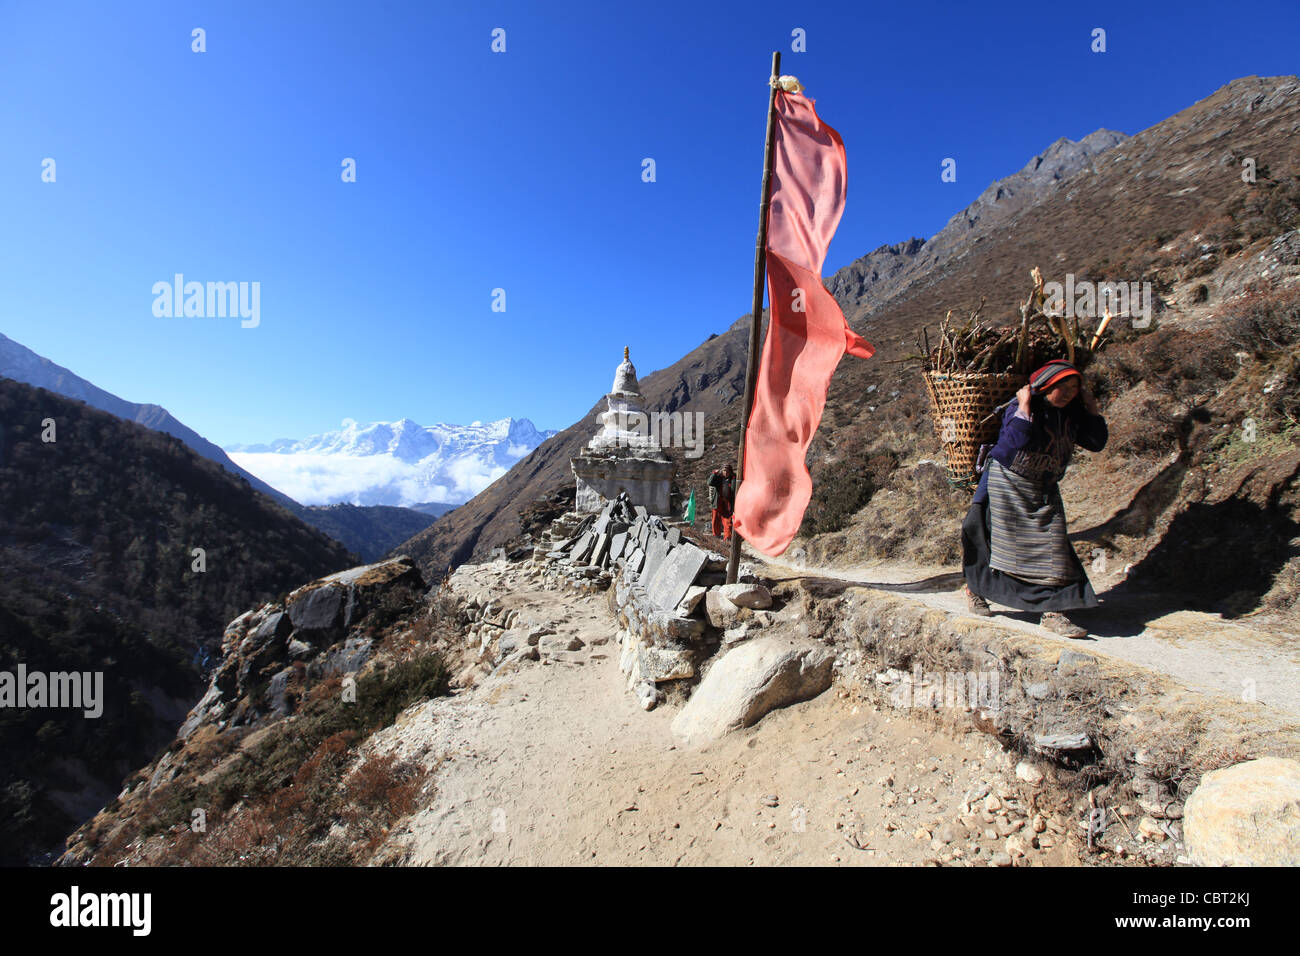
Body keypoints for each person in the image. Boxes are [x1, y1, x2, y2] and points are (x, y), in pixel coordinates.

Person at [962, 360, 1108, 638]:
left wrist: (1092, 410)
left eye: (1074, 388)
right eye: (1061, 386)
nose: (1067, 393)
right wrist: (1026, 406)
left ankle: (1053, 613)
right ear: (1044, 386)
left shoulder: (1072, 415)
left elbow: (1096, 442)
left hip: (1043, 488)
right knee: (988, 545)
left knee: (1053, 549)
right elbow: (1011, 446)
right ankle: (974, 589)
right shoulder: (1018, 409)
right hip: (1005, 488)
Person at [707, 463, 735, 541]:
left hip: (727, 503)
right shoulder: (718, 478)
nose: (726, 473)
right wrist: (714, 473)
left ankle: (727, 538)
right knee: (715, 520)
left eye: (727, 471)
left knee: (728, 521)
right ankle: (716, 536)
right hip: (717, 502)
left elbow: (733, 490)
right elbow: (709, 482)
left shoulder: (733, 479)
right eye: (724, 471)